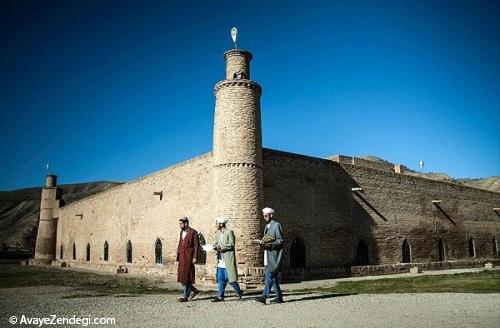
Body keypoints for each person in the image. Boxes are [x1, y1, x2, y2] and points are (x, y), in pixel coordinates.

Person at [255, 207, 284, 304]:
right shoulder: (267, 226)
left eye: (266, 215)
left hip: (274, 257)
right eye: (263, 216)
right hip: (267, 255)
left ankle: (264, 296)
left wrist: (271, 244)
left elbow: (280, 240)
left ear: (271, 215)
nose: (264, 217)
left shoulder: (276, 225)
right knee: (273, 278)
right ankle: (279, 297)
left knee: (269, 277)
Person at [212, 217, 243, 302]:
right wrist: (214, 247)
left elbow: (232, 244)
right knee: (221, 279)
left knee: (231, 279)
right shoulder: (217, 233)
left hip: (228, 259)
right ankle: (220, 296)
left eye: (217, 223)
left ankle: (238, 292)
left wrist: (221, 247)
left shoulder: (229, 232)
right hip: (220, 259)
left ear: (221, 224)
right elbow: (216, 243)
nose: (216, 225)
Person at [177, 216, 200, 302]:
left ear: (186, 223)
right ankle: (194, 290)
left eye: (181, 224)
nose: (180, 225)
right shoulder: (181, 232)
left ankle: (185, 297)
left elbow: (196, 245)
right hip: (182, 257)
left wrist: (195, 257)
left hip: (189, 257)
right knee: (182, 276)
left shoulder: (193, 233)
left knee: (187, 276)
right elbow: (180, 244)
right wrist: (178, 256)